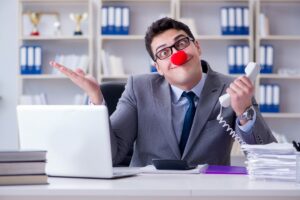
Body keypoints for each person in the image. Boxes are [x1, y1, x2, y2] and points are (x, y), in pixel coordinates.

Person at [50, 17, 276, 167]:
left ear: (197, 46)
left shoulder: (234, 89)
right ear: (157, 67)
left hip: (207, 193)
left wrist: (244, 111)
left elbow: (269, 162)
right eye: (163, 52)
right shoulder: (138, 88)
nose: (175, 55)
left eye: (181, 44)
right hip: (147, 193)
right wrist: (96, 99)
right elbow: (111, 155)